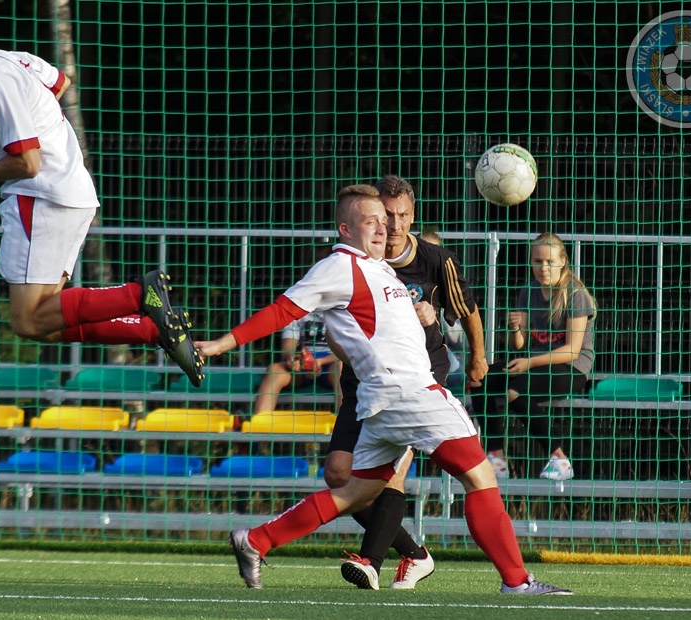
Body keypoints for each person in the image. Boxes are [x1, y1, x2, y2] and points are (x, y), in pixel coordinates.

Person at [195, 184, 571, 595]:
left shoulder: (379, 268)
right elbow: (282, 310)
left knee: (354, 491)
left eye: (386, 219)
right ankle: (517, 582)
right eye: (370, 221)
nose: (383, 227)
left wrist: (425, 320)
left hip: (383, 402)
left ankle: (256, 540)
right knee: (480, 477)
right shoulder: (339, 266)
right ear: (345, 229)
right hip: (407, 393)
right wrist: (220, 344)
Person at [0, 11, 203, 386]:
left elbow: (28, 163)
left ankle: (139, 294)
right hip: (69, 193)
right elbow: (60, 83)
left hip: (40, 199)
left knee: (26, 320)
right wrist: (9, 129)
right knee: (46, 324)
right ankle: (152, 331)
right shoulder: (9, 60)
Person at [327, 175, 489, 590]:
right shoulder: (355, 262)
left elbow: (467, 310)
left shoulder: (436, 260)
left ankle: (369, 561)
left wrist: (477, 356)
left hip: (420, 374)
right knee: (339, 478)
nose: (393, 225)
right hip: (365, 378)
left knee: (393, 474)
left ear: (412, 217)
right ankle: (415, 554)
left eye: (402, 216)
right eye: (386, 215)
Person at [471, 232, 596, 481]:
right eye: (538, 261)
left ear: (563, 261)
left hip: (571, 369)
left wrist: (528, 362)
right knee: (479, 378)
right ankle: (496, 459)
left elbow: (572, 350)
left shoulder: (575, 294)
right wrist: (516, 328)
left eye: (549, 261)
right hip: (534, 365)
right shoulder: (529, 291)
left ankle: (559, 459)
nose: (543, 267)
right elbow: (521, 345)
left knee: (515, 391)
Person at [252, 312, 339, 415]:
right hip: (302, 364)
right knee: (275, 370)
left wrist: (321, 362)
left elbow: (349, 351)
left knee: (342, 368)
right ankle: (260, 422)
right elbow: (288, 346)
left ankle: (346, 427)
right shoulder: (296, 308)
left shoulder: (344, 310)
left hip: (332, 364)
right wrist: (293, 358)